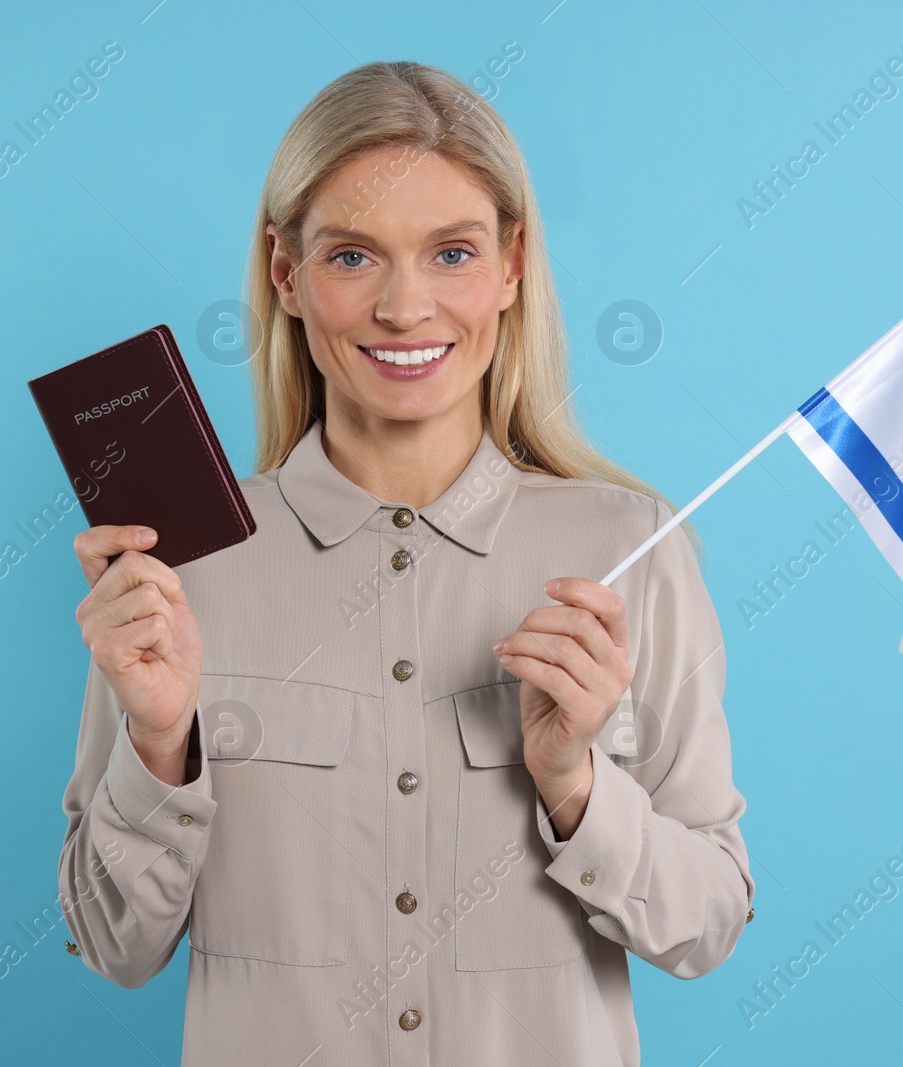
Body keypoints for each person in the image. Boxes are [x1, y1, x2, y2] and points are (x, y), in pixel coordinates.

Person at [57, 60, 754, 1066]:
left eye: (452, 253)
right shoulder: (182, 565)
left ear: (512, 266)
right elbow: (113, 945)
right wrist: (160, 743)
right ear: (285, 274)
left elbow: (707, 924)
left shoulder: (628, 549)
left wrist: (572, 780)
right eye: (351, 256)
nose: (403, 306)